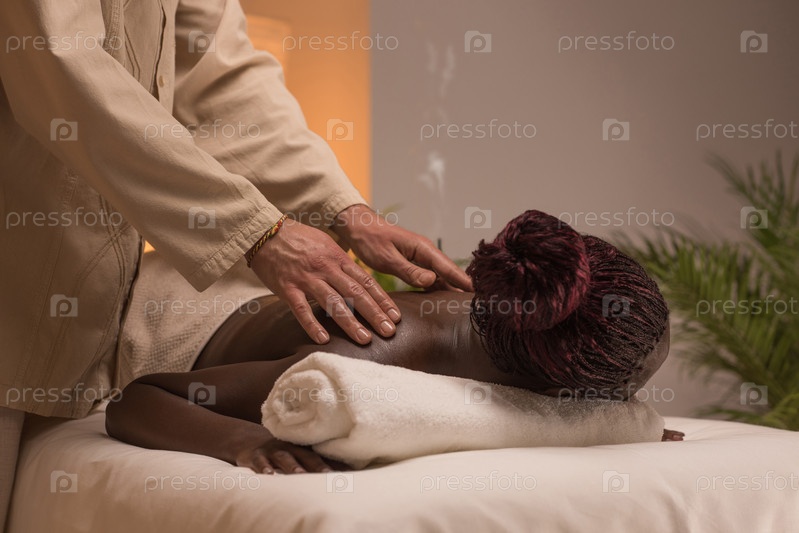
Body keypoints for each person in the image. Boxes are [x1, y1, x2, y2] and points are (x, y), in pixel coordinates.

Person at [0, 0, 469, 526]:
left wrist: (345, 211)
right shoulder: (385, 350)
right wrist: (257, 232)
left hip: (78, 317)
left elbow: (220, 81)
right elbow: (60, 64)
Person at [106, 210, 684, 476]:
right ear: (556, 387)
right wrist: (247, 442)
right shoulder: (362, 353)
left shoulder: (509, 302)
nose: (624, 404)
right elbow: (136, 400)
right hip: (158, 313)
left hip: (242, 289)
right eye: (618, 394)